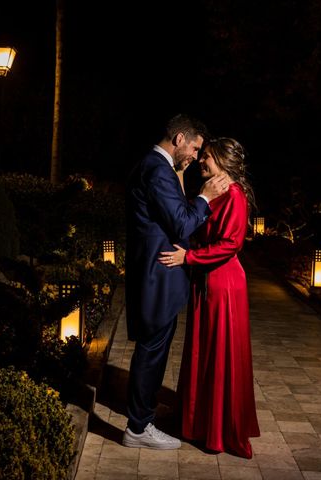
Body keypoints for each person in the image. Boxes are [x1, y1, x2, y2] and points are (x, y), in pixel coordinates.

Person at [123, 114, 230, 449]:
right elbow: (183, 225)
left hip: (157, 275)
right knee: (151, 351)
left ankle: (144, 417)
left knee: (154, 350)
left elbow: (172, 213)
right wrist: (206, 198)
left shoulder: (159, 168)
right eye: (196, 148)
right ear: (180, 138)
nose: (197, 157)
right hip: (158, 276)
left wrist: (184, 181)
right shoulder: (157, 169)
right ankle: (138, 429)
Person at [158, 137, 260, 458]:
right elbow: (192, 219)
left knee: (220, 353)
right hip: (207, 280)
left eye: (208, 158)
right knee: (204, 351)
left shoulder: (235, 195)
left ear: (225, 162)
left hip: (224, 283)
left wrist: (188, 258)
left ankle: (218, 429)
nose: (201, 161)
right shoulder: (214, 192)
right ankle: (199, 421)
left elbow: (231, 244)